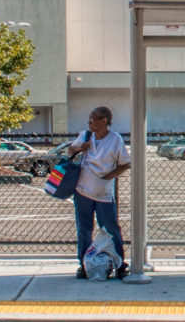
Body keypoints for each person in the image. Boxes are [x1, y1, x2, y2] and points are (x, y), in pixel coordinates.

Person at [68, 106, 131, 280]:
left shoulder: (115, 139)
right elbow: (70, 151)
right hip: (83, 190)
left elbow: (125, 163)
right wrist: (81, 148)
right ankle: (84, 264)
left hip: (103, 192)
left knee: (111, 228)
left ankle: (119, 264)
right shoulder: (86, 136)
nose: (90, 122)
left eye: (93, 119)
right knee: (84, 229)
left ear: (104, 121)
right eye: (89, 119)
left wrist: (108, 177)